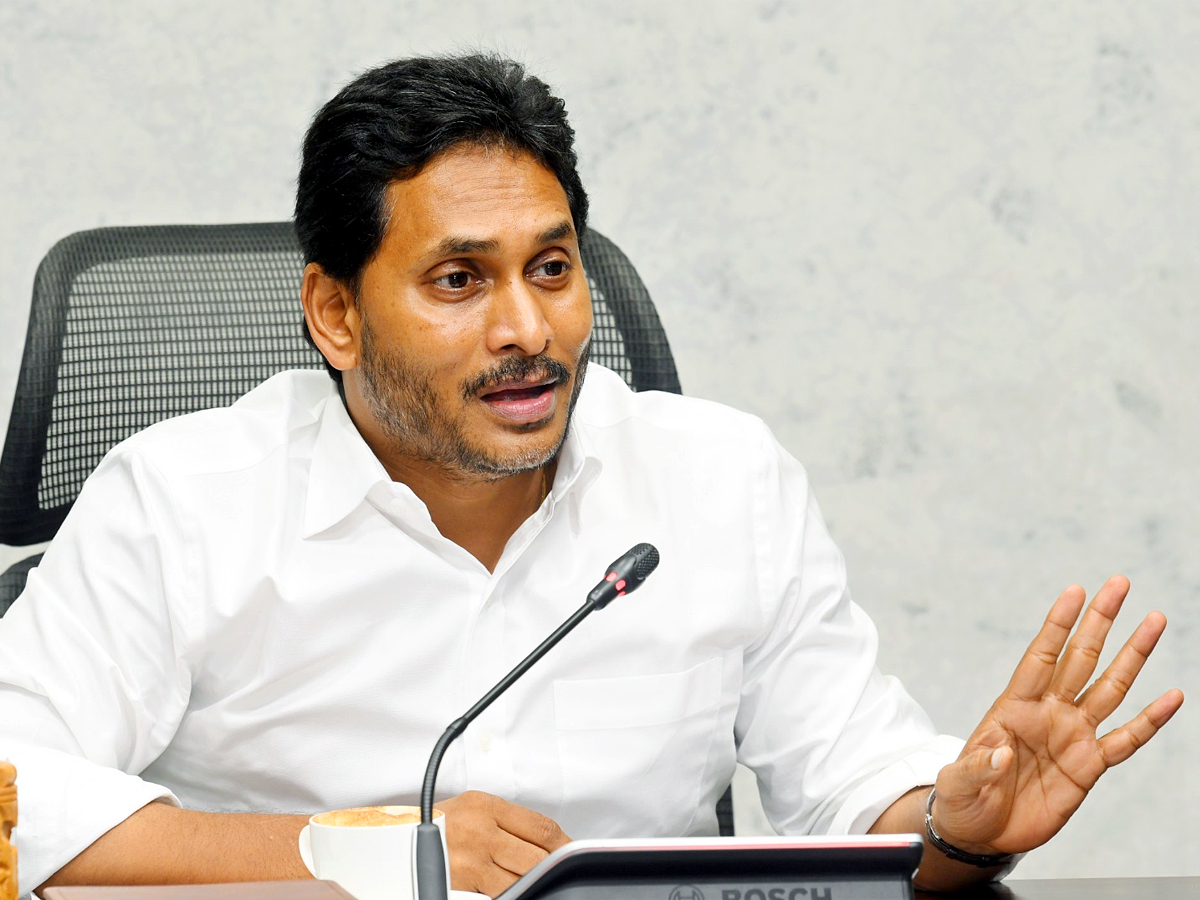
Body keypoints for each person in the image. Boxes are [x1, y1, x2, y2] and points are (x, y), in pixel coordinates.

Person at [0, 53, 1182, 899]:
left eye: (552, 267)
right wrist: (350, 855)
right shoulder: (180, 497)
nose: (530, 327)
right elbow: (14, 790)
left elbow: (853, 784)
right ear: (335, 313)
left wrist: (956, 831)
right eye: (459, 281)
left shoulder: (720, 480)